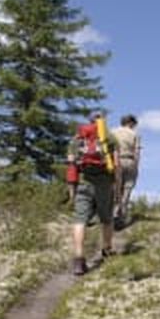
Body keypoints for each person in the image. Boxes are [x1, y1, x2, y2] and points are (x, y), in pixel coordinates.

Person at [67, 112, 120, 276]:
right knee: (106, 218)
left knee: (79, 220)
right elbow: (117, 165)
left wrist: (71, 190)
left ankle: (78, 259)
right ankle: (107, 249)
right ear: (103, 121)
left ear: (89, 120)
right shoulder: (110, 138)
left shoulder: (77, 139)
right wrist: (117, 188)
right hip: (105, 183)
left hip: (83, 182)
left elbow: (71, 164)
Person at [112, 114, 141, 227]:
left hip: (115, 160)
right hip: (129, 160)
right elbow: (136, 152)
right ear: (131, 123)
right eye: (134, 124)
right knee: (127, 188)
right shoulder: (134, 134)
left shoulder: (113, 132)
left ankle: (113, 212)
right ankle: (121, 215)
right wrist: (136, 165)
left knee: (116, 187)